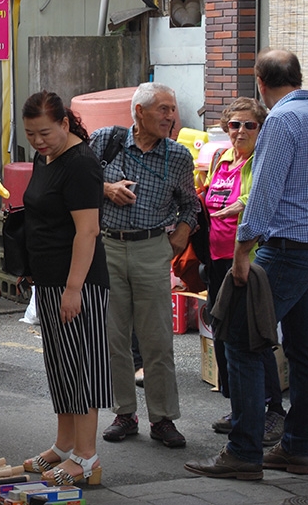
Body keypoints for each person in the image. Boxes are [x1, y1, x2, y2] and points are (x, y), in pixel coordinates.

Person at [186, 49, 308, 480]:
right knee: (300, 348)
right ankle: (297, 448)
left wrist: (242, 253)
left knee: (240, 339)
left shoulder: (281, 120)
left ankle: (244, 451)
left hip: (286, 247)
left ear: (259, 81)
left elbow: (264, 193)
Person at [90, 82, 199, 448]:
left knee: (157, 339)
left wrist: (182, 232)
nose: (171, 116)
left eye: (172, 109)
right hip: (107, 246)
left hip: (153, 246)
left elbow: (192, 203)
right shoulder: (106, 141)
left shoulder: (179, 155)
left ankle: (163, 418)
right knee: (115, 336)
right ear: (139, 112)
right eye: (163, 109)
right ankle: (124, 413)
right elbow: (80, 182)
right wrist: (107, 190)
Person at [20, 91, 111, 486]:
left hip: (80, 282)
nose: (38, 141)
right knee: (59, 366)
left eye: (44, 132)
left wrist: (73, 288)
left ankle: (87, 457)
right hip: (50, 278)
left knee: (81, 368)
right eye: (30, 135)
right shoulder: (47, 158)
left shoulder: (81, 163)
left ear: (64, 123)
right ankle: (63, 445)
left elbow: (87, 231)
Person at [201, 97, 285, 444]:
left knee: (251, 336)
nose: (240, 131)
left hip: (248, 259)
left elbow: (267, 198)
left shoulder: (261, 161)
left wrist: (244, 203)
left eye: (250, 125)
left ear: (261, 129)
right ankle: (241, 408)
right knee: (223, 335)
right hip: (218, 259)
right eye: (235, 124)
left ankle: (271, 411)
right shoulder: (221, 158)